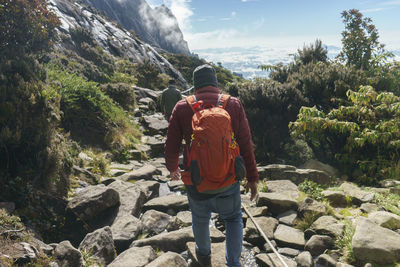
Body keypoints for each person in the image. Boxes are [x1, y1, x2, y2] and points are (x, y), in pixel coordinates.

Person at [164, 64, 259, 267]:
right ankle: (233, 263)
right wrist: (252, 178)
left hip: (197, 181)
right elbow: (246, 144)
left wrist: (173, 168)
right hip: (228, 178)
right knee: (233, 219)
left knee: (200, 218)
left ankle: (204, 258)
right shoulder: (233, 104)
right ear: (215, 83)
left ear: (195, 85)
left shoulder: (182, 107)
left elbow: (170, 144)